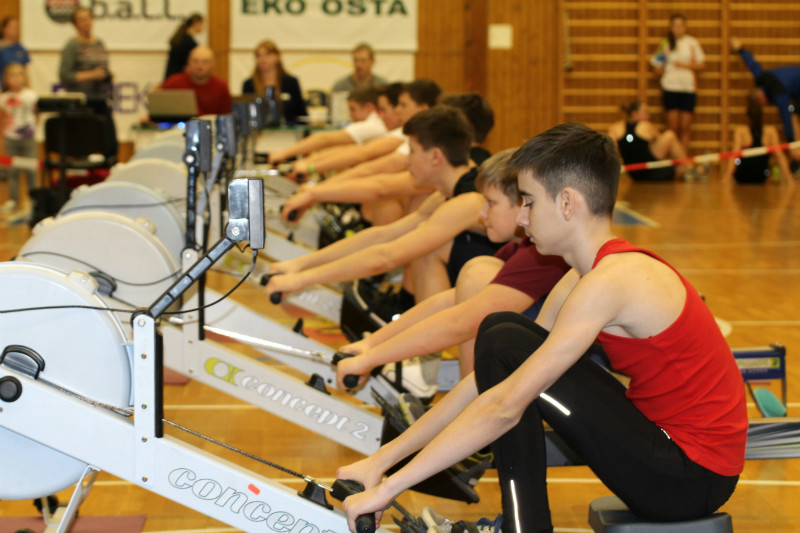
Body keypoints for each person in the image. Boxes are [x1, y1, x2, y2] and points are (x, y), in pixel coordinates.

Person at [336, 123, 747, 533]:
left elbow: (504, 405)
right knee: (503, 335)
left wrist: (388, 489)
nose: (520, 216)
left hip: (688, 478)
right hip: (667, 455)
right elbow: (489, 378)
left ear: (567, 203)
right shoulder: (582, 277)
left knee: (506, 343)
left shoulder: (609, 282)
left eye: (529, 202)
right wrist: (381, 462)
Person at [334, 149, 569, 389]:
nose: (482, 214)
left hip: (559, 378)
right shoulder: (522, 248)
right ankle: (465, 390)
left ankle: (475, 398)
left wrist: (371, 359)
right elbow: (447, 303)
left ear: (522, 204)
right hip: (540, 362)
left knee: (478, 274)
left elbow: (461, 323)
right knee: (478, 274)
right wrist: (371, 345)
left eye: (490, 203)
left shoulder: (544, 255)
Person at [264, 105, 503, 309]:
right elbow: (384, 235)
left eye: (412, 151)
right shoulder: (444, 195)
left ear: (435, 156)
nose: (407, 160)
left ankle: (432, 347)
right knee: (422, 241)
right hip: (478, 294)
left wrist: (301, 280)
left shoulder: (468, 200)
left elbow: (386, 257)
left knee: (427, 248)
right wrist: (298, 265)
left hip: (501, 305)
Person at [286, 79, 441, 181]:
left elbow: (364, 157)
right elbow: (354, 151)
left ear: (423, 109)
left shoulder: (407, 133)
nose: (397, 110)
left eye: (403, 105)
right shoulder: (407, 132)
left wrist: (312, 172)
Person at [268, 85, 386, 164]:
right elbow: (343, 151)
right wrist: (308, 163)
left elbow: (325, 139)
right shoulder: (374, 124)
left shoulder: (374, 124)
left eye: (352, 109)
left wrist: (283, 153)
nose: (350, 115)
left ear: (369, 107)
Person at [730, 37, 800, 164]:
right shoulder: (761, 78)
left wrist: (790, 142)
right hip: (796, 90)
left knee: (794, 119)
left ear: (760, 98)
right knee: (794, 118)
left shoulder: (778, 94)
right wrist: (740, 49)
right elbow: (752, 65)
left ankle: (796, 153)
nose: (764, 106)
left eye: (761, 105)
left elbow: (786, 117)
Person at [59, 7, 117, 157]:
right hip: (82, 102)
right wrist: (91, 75)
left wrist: (107, 74)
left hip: (101, 99)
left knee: (110, 144)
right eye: (81, 19)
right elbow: (64, 75)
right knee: (84, 146)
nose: (86, 22)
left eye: (88, 18)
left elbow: (103, 67)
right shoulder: (72, 46)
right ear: (75, 24)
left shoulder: (99, 43)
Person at [649, 14, 704, 153]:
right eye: (675, 26)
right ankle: (672, 159)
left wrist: (684, 65)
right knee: (672, 127)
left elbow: (701, 64)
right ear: (671, 27)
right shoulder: (666, 44)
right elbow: (655, 64)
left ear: (685, 27)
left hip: (688, 88)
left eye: (680, 26)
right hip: (671, 88)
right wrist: (662, 72)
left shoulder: (692, 43)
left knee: (685, 127)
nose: (678, 29)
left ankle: (683, 161)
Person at [607, 100, 690, 181]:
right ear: (634, 113)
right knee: (670, 135)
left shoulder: (615, 128)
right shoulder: (645, 126)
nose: (648, 116)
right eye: (645, 112)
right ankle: (689, 168)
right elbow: (664, 145)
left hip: (633, 174)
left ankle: (687, 169)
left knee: (675, 168)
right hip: (651, 171)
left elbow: (609, 150)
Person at [723, 90, 793, 184]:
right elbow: (779, 156)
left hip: (745, 176)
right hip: (759, 176)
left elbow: (734, 155)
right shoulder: (770, 132)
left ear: (748, 116)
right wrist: (789, 179)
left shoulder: (741, 132)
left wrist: (727, 177)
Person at [0, 63, 37, 220]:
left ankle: (34, 200)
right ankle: (13, 200)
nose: (16, 78)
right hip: (11, 137)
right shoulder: (3, 98)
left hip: (28, 137)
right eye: (12, 75)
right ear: (6, 79)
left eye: (19, 75)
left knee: (31, 170)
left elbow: (36, 113)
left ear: (24, 77)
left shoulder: (30, 95)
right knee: (12, 171)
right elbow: (3, 117)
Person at [242, 40, 307, 125]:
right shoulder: (249, 85)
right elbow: (245, 116)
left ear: (278, 57)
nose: (262, 59)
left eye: (267, 54)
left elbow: (302, 115)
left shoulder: (291, 83)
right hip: (259, 131)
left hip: (289, 131)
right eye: (258, 55)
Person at [161, 46, 232, 116]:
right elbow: (162, 110)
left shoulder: (221, 87)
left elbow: (224, 117)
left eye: (205, 62)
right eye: (195, 61)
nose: (199, 66)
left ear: (213, 63)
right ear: (189, 62)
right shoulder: (173, 83)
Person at [164, 13, 204, 80]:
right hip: (179, 78)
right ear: (196, 23)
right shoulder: (188, 42)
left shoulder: (181, 38)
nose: (203, 27)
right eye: (202, 24)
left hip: (172, 76)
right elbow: (187, 66)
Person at [0, 17, 30, 91]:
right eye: (12, 27)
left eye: (17, 27)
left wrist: (29, 88)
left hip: (19, 90)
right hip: (3, 89)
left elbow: (25, 71)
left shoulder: (20, 48)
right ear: (4, 29)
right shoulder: (1, 48)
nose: (15, 30)